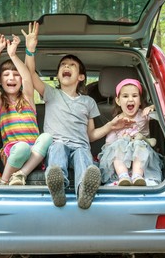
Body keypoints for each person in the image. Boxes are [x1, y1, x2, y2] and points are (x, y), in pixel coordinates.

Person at [22, 22, 133, 208]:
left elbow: (90, 135)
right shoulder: (50, 93)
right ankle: (57, 184)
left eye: (72, 65)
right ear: (58, 75)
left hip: (81, 145)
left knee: (83, 154)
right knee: (56, 149)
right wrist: (30, 50)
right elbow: (30, 73)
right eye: (63, 65)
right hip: (58, 143)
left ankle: (84, 191)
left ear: (81, 76)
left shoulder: (88, 102)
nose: (67, 66)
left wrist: (111, 126)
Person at [0, 33, 53, 186]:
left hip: (35, 155)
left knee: (47, 137)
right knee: (22, 147)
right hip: (14, 154)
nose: (12, 78)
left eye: (16, 75)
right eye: (6, 75)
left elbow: (27, 77)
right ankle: (4, 181)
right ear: (0, 80)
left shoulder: (28, 99)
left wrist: (13, 55)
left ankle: (20, 175)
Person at [98, 79, 163, 186]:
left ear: (140, 100)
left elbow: (163, 105)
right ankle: (123, 176)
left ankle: (137, 176)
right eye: (125, 96)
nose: (130, 99)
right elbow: (109, 145)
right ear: (118, 101)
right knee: (118, 145)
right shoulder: (116, 121)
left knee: (139, 144)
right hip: (121, 158)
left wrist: (152, 107)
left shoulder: (144, 115)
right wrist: (122, 140)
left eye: (134, 95)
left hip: (141, 153)